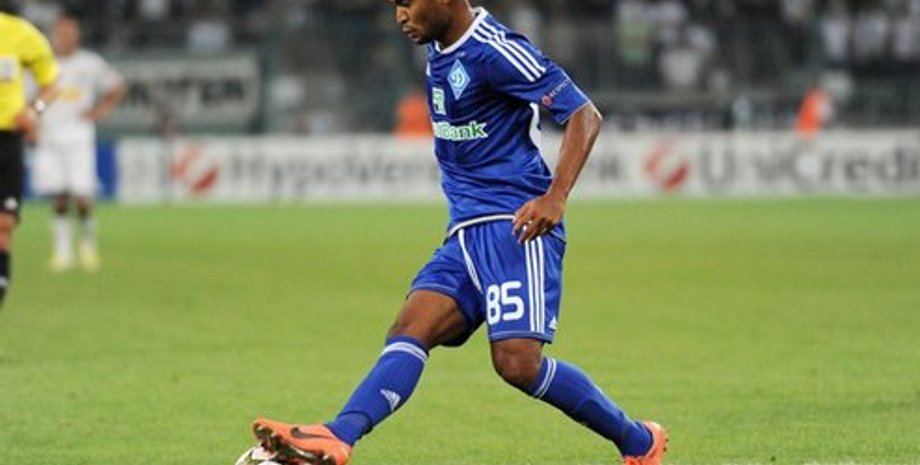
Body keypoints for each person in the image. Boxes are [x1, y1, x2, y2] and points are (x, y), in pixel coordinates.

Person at [249, 2, 668, 465]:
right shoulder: (438, 47)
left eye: (407, 2)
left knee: (517, 365)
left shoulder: (496, 50)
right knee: (410, 329)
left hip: (514, 226)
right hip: (465, 233)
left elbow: (584, 114)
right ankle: (338, 436)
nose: (400, 16)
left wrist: (556, 197)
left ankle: (639, 442)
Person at [33, 13, 125, 272]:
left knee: (82, 195)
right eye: (61, 33)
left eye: (70, 33)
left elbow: (117, 86)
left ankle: (87, 245)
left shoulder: (90, 63)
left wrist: (100, 111)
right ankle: (62, 251)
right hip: (49, 135)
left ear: (78, 35)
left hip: (78, 135)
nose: (66, 38)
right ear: (54, 36)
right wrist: (34, 121)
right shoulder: (44, 64)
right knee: (59, 195)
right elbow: (31, 96)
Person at [0, 7, 58, 307]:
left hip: (7, 140)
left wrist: (34, 111)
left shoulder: (20, 33)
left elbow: (51, 82)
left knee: (4, 226)